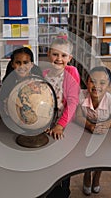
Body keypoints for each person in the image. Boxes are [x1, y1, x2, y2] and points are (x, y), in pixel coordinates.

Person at [75, 66, 111, 196]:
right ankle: (87, 174)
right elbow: (77, 116)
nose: (97, 86)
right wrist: (90, 126)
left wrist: (106, 125)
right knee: (86, 153)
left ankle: (97, 176)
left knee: (101, 156)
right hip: (86, 129)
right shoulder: (81, 96)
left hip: (104, 132)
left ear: (108, 86)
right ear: (87, 82)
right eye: (92, 81)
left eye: (102, 83)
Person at [43, 37, 80, 198]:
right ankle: (48, 187)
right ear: (48, 54)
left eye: (64, 56)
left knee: (63, 158)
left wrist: (60, 125)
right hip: (47, 121)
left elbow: (73, 101)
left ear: (69, 58)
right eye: (55, 54)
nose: (59, 59)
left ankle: (64, 190)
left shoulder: (72, 72)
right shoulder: (43, 73)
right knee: (47, 156)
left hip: (65, 122)